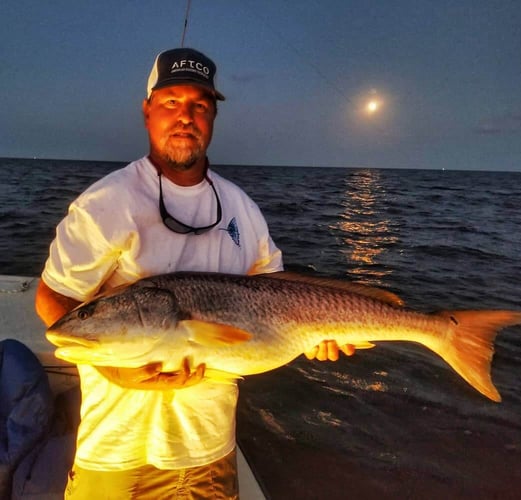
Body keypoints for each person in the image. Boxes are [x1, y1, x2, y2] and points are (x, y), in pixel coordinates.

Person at [35, 47, 354, 499]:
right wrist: (112, 370)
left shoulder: (243, 207)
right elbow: (53, 299)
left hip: (210, 453)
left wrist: (319, 333)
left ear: (213, 119)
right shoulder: (107, 202)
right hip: (118, 453)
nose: (185, 117)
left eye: (199, 106)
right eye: (171, 103)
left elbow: (283, 298)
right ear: (147, 111)